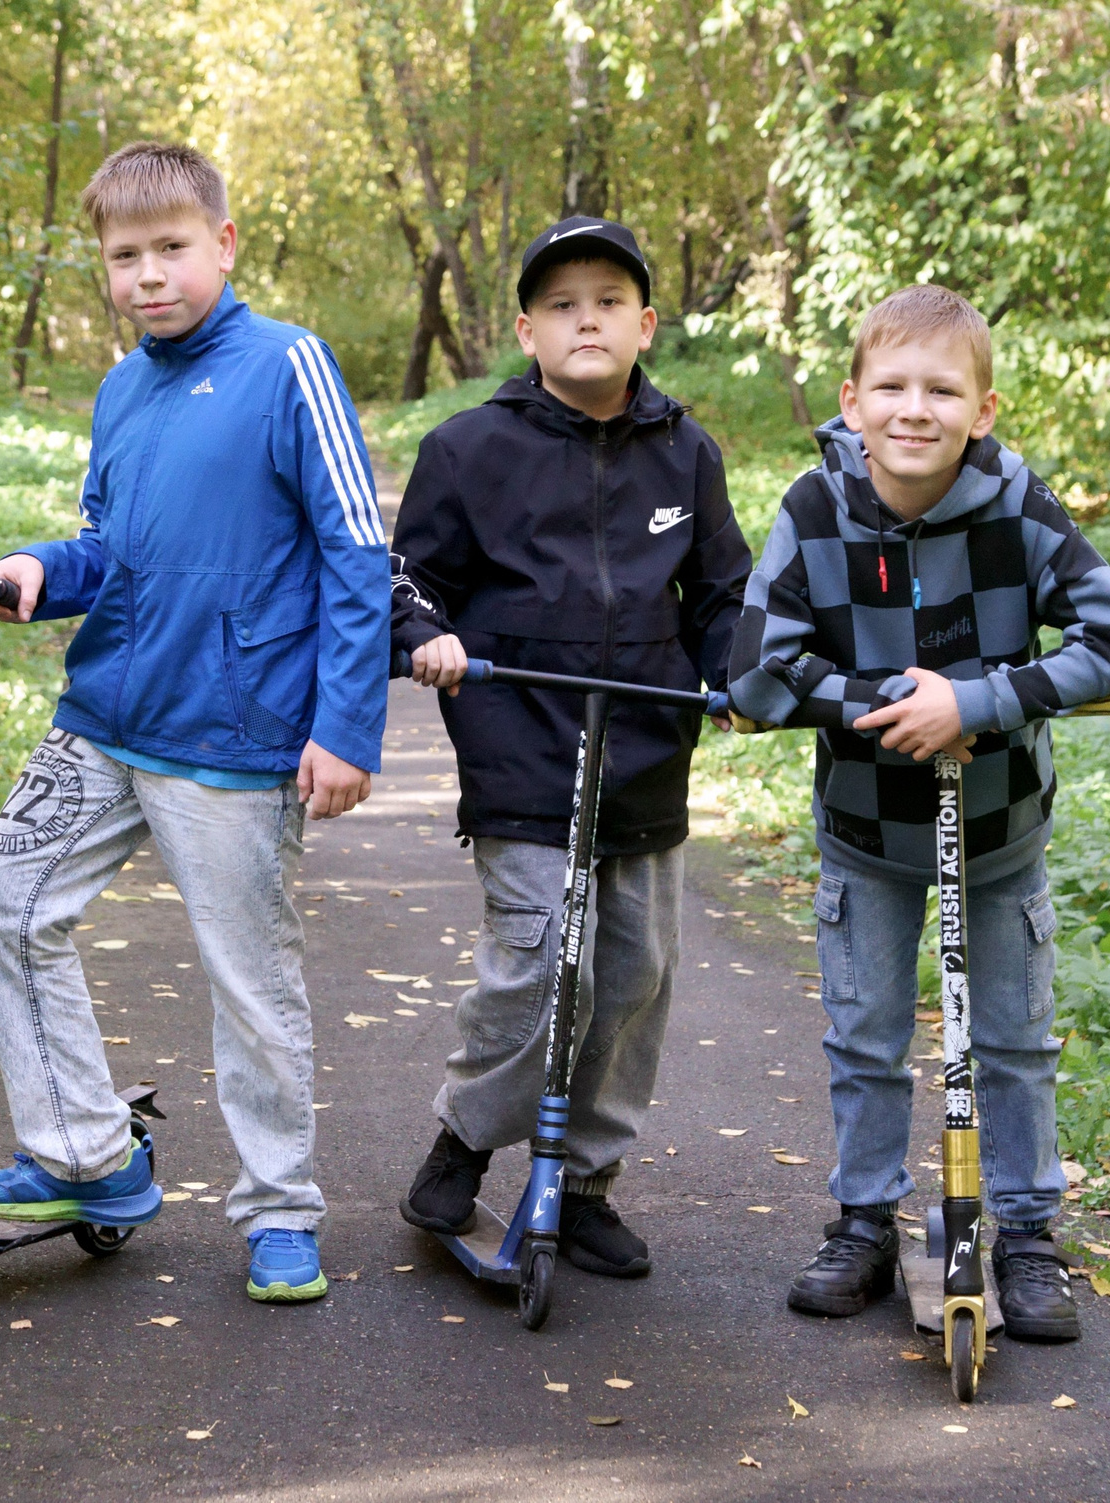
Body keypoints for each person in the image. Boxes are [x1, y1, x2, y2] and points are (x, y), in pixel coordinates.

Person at [0, 142, 389, 1303]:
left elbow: (357, 551)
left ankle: (280, 1211)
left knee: (250, 982)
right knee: (5, 901)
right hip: (104, 717)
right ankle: (87, 1155)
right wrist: (42, 568)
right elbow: (110, 548)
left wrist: (345, 727)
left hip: (235, 738)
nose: (150, 276)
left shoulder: (288, 365)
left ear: (225, 244)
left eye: (172, 249)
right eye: (124, 256)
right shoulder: (119, 388)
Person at [725, 285, 1110, 1340]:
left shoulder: (1016, 507)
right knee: (864, 1039)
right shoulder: (813, 509)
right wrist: (888, 706)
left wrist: (977, 701)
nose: (915, 410)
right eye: (893, 388)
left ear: (984, 409)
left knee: (1010, 1042)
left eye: (941, 391)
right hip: (866, 834)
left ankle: (1026, 1236)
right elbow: (757, 673)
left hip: (1000, 833)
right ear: (853, 399)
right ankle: (863, 1222)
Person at [392, 217, 754, 1278]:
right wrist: (428, 639)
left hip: (643, 745)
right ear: (525, 329)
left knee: (634, 974)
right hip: (522, 742)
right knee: (545, 964)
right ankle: (464, 1136)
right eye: (560, 303)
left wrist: (732, 674)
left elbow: (721, 592)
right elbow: (405, 580)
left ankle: (585, 1181)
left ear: (644, 325)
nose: (584, 317)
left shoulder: (685, 450)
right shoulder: (467, 450)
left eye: (607, 300)